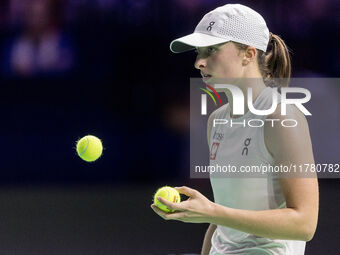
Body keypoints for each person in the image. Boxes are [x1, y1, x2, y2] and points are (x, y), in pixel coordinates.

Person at [151, 4, 319, 255]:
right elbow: (222, 220)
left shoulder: (282, 116)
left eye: (211, 50)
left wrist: (212, 211)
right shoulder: (216, 120)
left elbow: (305, 223)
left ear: (248, 54)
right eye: (198, 52)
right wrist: (212, 217)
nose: (199, 62)